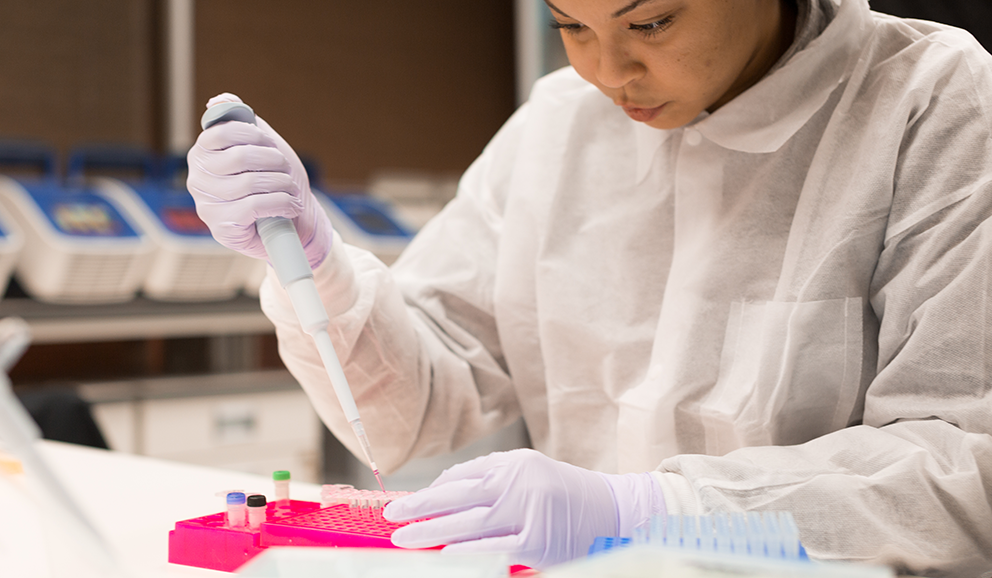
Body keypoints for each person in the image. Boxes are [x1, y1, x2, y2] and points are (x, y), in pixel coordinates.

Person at [186, 0, 992, 574]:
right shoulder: (559, 124)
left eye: (650, 23)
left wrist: (651, 509)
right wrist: (319, 263)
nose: (609, 70)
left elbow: (965, 472)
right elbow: (427, 397)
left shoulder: (931, 101)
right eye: (569, 25)